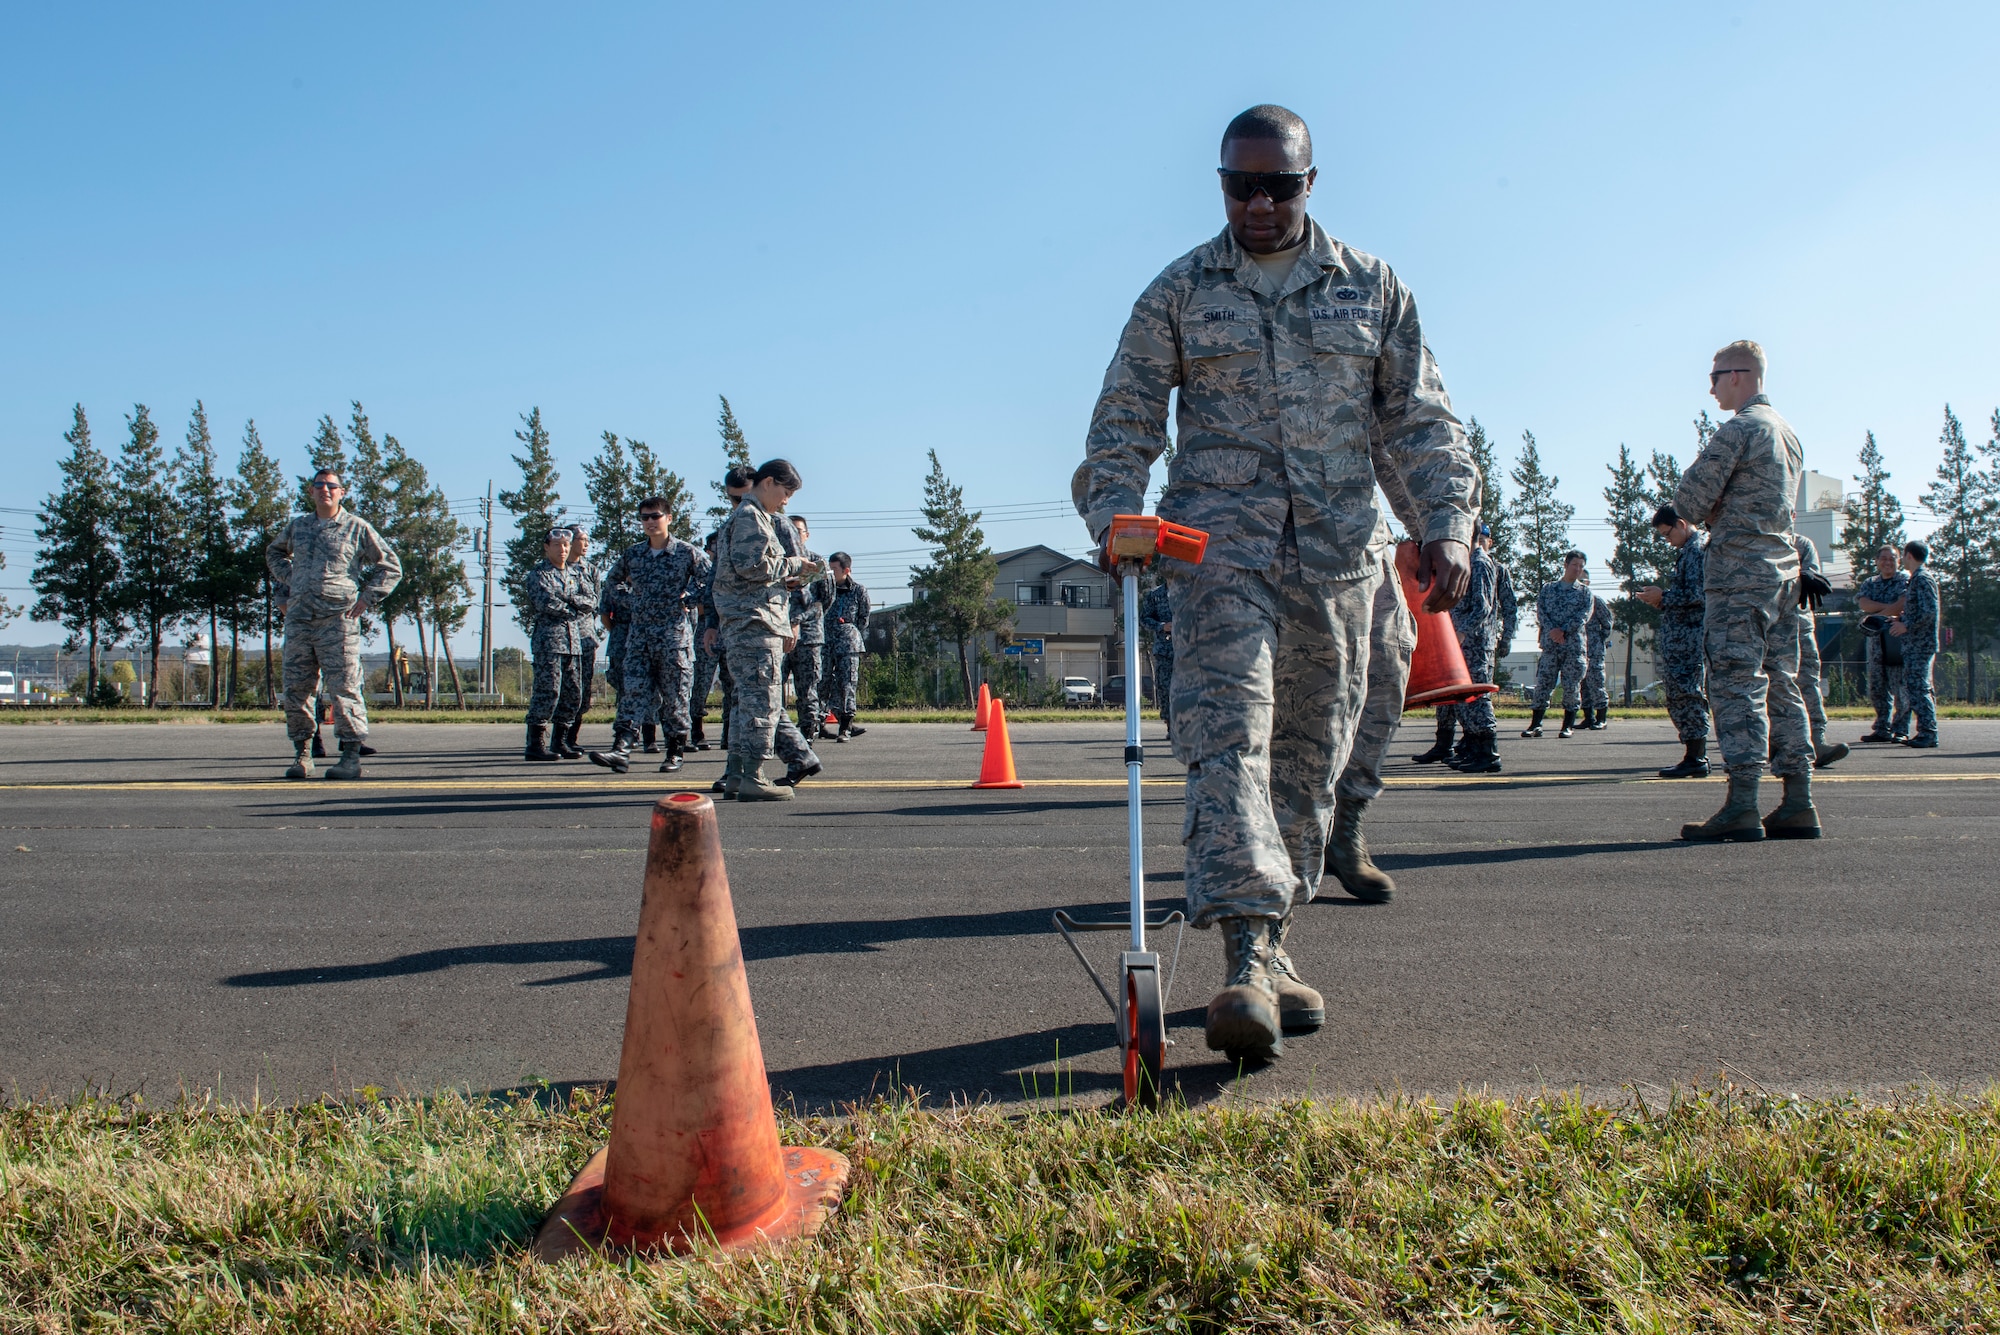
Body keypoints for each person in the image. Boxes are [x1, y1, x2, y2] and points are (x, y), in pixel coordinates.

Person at [1072, 104, 1476, 1063]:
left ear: (1310, 182)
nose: (1257, 202)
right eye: (1238, 184)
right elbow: (1123, 416)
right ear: (1220, 184)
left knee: (1307, 761)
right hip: (1217, 560)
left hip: (1340, 560)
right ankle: (1244, 956)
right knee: (1227, 741)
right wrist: (1113, 516)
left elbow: (1418, 421)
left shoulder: (1373, 289)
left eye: (1277, 185)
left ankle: (1276, 944)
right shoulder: (1180, 290)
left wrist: (1445, 521)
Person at [1674, 340, 1815, 841]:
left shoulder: (1740, 428)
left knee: (1737, 684)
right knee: (1783, 683)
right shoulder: (1788, 432)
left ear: (1738, 376)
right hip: (1783, 574)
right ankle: (1798, 800)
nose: (1710, 387)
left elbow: (1688, 501)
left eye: (1714, 378)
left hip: (1740, 576)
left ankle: (1744, 804)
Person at [1325, 451, 1424, 906]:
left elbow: (1401, 435)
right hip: (1256, 537)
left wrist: (1435, 529)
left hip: (1359, 535)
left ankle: (1346, 826)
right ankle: (1286, 834)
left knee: (1386, 666)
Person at [267, 468, 402, 780]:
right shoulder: (298, 526)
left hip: (338, 620)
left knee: (344, 687)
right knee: (297, 689)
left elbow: (391, 566)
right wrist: (292, 581)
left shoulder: (356, 527)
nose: (325, 490)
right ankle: (303, 755)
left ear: (342, 492)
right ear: (311, 492)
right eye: (319, 486)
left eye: (331, 486)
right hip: (300, 620)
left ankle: (351, 756)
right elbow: (275, 553)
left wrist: (368, 597)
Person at [714, 460, 825, 799]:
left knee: (745, 701)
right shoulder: (751, 517)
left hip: (750, 620)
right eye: (786, 491)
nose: (787, 500)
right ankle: (754, 777)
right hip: (755, 623)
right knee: (763, 700)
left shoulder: (753, 516)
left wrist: (787, 580)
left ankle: (736, 774)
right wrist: (795, 564)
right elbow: (752, 566)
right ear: (768, 482)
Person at [587, 498, 712, 775]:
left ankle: (675, 751)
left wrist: (689, 600)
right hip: (639, 638)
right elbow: (612, 582)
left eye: (655, 516)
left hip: (673, 638)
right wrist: (631, 602)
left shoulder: (686, 553)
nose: (650, 522)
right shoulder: (634, 555)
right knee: (632, 693)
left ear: (668, 518)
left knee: (675, 696)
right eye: (644, 517)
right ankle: (621, 749)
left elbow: (711, 581)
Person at [1637, 505, 1711, 778]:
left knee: (1686, 692)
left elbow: (1699, 595)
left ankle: (1697, 756)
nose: (1667, 540)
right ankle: (1695, 753)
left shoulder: (1696, 551)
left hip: (1689, 638)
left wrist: (1663, 597)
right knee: (1682, 692)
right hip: (1682, 635)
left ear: (1681, 524)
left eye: (1668, 534)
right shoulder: (1689, 551)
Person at [691, 466, 757, 752]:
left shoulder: (776, 527)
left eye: (746, 498)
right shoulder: (728, 530)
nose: (741, 506)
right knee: (702, 684)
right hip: (723, 628)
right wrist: (710, 625)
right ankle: (696, 730)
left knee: (740, 692)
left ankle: (732, 744)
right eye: (734, 500)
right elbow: (711, 586)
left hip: (755, 628)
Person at [523, 527, 592, 763]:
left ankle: (560, 741)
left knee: (573, 692)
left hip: (574, 641)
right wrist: (574, 607)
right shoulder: (539, 574)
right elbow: (547, 604)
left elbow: (590, 600)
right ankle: (535, 744)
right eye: (557, 546)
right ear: (546, 547)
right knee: (548, 691)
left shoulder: (576, 573)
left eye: (565, 545)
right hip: (549, 642)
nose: (562, 550)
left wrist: (570, 600)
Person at [1443, 525, 1504, 773]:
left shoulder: (1480, 563)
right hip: (1463, 644)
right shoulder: (1468, 561)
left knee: (1477, 696)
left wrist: (1461, 631)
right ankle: (1475, 748)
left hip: (1475, 643)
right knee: (1465, 698)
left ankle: (1489, 752)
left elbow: (1482, 606)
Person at [1792, 534, 1847, 769]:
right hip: (1764, 627)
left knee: (1808, 682)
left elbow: (1812, 573)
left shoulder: (1802, 544)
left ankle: (1817, 742)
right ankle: (1777, 744)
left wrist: (1806, 576)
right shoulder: (1757, 540)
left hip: (1798, 625)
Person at [1522, 552, 1591, 738]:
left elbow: (1583, 616)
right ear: (1566, 564)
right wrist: (1552, 630)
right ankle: (1536, 724)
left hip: (1573, 647)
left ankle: (1567, 725)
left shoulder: (1585, 592)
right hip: (1551, 645)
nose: (1577, 569)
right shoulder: (1548, 589)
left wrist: (1563, 631)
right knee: (1543, 684)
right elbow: (1541, 612)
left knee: (1571, 686)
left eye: (1581, 566)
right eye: (1574, 564)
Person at [1855, 546, 1912, 742]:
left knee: (1900, 685)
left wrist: (1876, 614)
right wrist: (1888, 610)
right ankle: (1882, 728)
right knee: (1877, 686)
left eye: (1892, 559)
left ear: (1898, 561)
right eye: (1884, 558)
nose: (1888, 562)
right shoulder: (1870, 582)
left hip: (1896, 639)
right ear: (1877, 561)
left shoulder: (1905, 580)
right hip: (1875, 640)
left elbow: (1903, 603)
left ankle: (1901, 729)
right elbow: (1864, 604)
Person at [783, 515, 833, 739]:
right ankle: (778, 737)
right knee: (772, 690)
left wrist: (798, 620)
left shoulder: (815, 562)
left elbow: (824, 600)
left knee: (807, 690)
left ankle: (808, 735)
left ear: (806, 535)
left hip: (809, 637)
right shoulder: (778, 562)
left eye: (798, 531)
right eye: (790, 530)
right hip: (778, 636)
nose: (794, 535)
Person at [1890, 539, 1940, 749]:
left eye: (1903, 555)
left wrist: (1907, 625)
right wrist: (1903, 618)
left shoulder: (1922, 579)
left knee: (1918, 687)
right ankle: (1925, 731)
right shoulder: (1917, 579)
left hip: (1921, 644)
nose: (1901, 559)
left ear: (1909, 555)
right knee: (1917, 686)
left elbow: (1929, 611)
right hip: (1915, 643)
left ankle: (1928, 733)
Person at [823, 554, 870, 740]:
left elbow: (863, 619)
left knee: (846, 684)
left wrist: (847, 630)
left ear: (846, 570)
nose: (830, 572)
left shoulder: (858, 591)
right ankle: (818, 723)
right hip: (825, 643)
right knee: (822, 682)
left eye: (834, 569)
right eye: (829, 568)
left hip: (848, 644)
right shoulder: (825, 589)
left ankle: (845, 727)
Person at [565, 529, 601, 757]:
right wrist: (579, 602)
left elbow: (595, 601)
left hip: (585, 638)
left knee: (581, 691)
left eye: (588, 540)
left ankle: (571, 738)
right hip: (561, 639)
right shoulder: (555, 569)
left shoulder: (591, 570)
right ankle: (558, 738)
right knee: (562, 690)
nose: (586, 544)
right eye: (582, 540)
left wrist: (570, 599)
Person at [1137, 580, 1175, 738]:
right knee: (1165, 689)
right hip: (1165, 651)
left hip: (1189, 650)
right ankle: (1170, 727)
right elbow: (1144, 618)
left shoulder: (1190, 591)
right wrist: (1161, 626)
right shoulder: (1155, 595)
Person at [1581, 586, 1613, 729]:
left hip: (1594, 649)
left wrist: (1598, 640)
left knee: (1596, 682)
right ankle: (1588, 717)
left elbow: (1607, 624)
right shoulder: (1574, 600)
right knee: (1583, 685)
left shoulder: (1596, 601)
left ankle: (1602, 718)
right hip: (1579, 648)